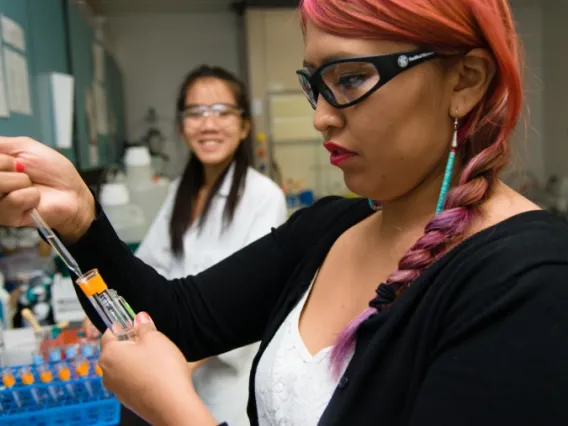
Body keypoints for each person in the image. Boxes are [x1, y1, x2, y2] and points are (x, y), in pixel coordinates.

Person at [1, 0, 568, 425]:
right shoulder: (330, 229)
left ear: (464, 81)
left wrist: (178, 413)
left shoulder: (530, 283)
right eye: (313, 84)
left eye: (350, 79)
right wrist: (79, 219)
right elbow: (178, 317)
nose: (321, 116)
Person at [86, 65, 288, 426]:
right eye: (195, 113)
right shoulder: (181, 191)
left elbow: (254, 304)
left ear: (244, 127)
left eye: (222, 112)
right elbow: (150, 266)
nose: (208, 124)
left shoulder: (263, 196)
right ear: (181, 127)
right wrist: (107, 310)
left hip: (226, 387)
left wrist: (171, 365)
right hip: (169, 372)